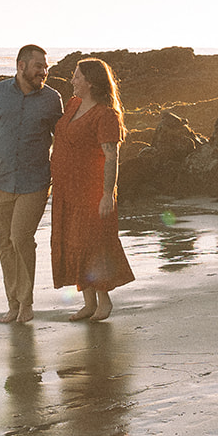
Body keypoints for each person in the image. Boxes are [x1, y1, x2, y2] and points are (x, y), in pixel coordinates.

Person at [0, 44, 63, 323]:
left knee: (21, 238)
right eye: (38, 66)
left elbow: (64, 139)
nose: (44, 72)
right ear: (21, 66)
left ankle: (27, 302)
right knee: (5, 243)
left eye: (46, 67)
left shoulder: (52, 99)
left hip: (35, 182)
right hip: (0, 180)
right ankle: (13, 302)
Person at [50, 57, 135, 321]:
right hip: (66, 190)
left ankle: (104, 302)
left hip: (91, 191)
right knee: (73, 243)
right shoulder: (73, 104)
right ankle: (87, 302)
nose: (72, 80)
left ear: (90, 81)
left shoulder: (106, 114)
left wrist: (108, 194)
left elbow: (112, 157)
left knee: (93, 245)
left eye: (76, 76)